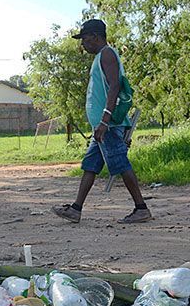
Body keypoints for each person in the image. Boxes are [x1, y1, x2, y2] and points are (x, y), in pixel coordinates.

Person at [52, 18, 152, 224]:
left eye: (84, 38)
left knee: (121, 163)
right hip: (101, 126)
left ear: (95, 36)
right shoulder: (100, 57)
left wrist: (105, 121)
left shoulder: (107, 54)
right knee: (90, 165)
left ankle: (141, 208)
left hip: (108, 125)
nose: (82, 43)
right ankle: (76, 209)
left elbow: (115, 86)